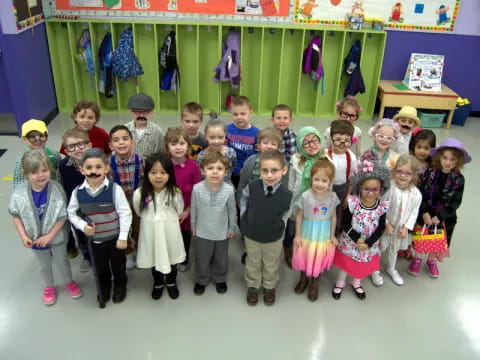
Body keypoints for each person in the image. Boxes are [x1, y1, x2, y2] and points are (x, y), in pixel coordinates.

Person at [9, 150, 82, 306]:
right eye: (34, 172)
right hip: (34, 238)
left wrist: (49, 236)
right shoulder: (19, 194)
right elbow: (16, 215)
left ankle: (69, 282)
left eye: (44, 170)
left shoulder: (56, 189)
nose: (41, 175)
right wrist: (23, 236)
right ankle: (49, 286)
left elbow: (62, 216)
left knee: (62, 261)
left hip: (57, 236)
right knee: (44, 265)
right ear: (26, 173)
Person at [67, 148, 132, 305]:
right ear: (82, 170)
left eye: (98, 167)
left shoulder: (114, 190)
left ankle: (120, 284)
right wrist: (83, 226)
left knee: (118, 265)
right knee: (100, 267)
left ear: (106, 168)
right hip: (95, 241)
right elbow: (71, 213)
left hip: (115, 239)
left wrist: (123, 237)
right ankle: (104, 287)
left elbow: (125, 213)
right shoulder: (78, 192)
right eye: (89, 168)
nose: (94, 171)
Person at [408, 138, 470, 278]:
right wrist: (424, 212)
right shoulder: (429, 172)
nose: (448, 162)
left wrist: (440, 216)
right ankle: (417, 258)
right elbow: (421, 193)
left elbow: (456, 201)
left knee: (437, 239)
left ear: (458, 161)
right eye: (445, 158)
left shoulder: (459, 179)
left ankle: (431, 260)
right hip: (425, 213)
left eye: (452, 160)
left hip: (444, 217)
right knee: (420, 236)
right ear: (439, 157)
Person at [332, 160, 390, 300]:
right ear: (359, 187)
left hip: (368, 245)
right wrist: (358, 239)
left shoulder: (381, 206)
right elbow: (345, 223)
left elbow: (381, 227)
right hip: (351, 242)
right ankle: (340, 282)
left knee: (361, 265)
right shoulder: (352, 203)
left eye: (375, 189)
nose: (370, 193)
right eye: (366, 189)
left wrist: (368, 243)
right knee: (346, 264)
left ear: (381, 189)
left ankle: (357, 282)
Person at [240, 150, 292, 306]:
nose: (269, 175)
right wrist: (244, 216)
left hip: (273, 237)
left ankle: (269, 286)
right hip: (252, 234)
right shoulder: (252, 186)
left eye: (274, 170)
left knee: (271, 262)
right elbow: (244, 200)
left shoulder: (287, 194)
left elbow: (286, 214)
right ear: (260, 170)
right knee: (253, 261)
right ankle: (253, 285)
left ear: (284, 170)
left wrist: (280, 229)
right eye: (265, 170)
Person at [133, 153, 185, 300]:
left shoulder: (175, 192)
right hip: (151, 233)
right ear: (146, 173)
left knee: (172, 257)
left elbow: (179, 209)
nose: (158, 176)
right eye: (153, 172)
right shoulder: (139, 194)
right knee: (154, 258)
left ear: (170, 174)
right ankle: (157, 283)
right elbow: (138, 211)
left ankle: (171, 282)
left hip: (170, 232)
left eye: (163, 172)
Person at [292, 158, 339, 301]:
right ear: (311, 178)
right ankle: (303, 279)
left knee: (317, 257)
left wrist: (332, 235)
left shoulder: (332, 197)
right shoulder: (305, 196)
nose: (320, 184)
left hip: (322, 235)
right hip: (307, 232)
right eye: (316, 179)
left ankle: (314, 283)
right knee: (305, 256)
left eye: (324, 181)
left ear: (330, 182)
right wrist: (298, 235)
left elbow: (333, 217)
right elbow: (299, 217)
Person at [191, 150, 236, 295]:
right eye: (210, 168)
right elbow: (194, 209)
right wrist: (193, 226)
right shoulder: (197, 189)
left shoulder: (229, 190)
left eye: (219, 169)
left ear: (225, 172)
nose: (215, 172)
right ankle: (201, 279)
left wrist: (231, 227)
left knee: (221, 258)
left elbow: (231, 211)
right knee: (202, 258)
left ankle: (220, 278)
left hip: (222, 232)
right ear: (203, 171)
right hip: (203, 231)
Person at [379, 155, 422, 286]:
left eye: (408, 173)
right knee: (379, 247)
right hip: (386, 226)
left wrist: (406, 228)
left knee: (394, 248)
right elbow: (380, 205)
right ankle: (374, 269)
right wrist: (385, 223)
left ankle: (391, 268)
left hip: (400, 228)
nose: (403, 176)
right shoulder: (388, 188)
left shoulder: (416, 194)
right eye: (399, 171)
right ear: (394, 171)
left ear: (414, 175)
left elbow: (414, 212)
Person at [164, 127, 201, 272]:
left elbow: (197, 192)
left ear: (188, 146)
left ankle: (184, 258)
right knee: (170, 234)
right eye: (173, 144)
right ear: (167, 146)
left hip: (187, 208)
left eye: (181, 143)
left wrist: (187, 211)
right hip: (168, 209)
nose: (178, 147)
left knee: (185, 235)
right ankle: (170, 257)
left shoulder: (193, 167)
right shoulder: (164, 165)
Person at [286, 126, 324, 268]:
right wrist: (290, 199)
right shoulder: (295, 159)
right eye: (306, 142)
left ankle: (304, 253)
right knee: (291, 230)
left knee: (308, 230)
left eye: (314, 140)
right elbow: (291, 182)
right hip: (297, 201)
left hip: (316, 203)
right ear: (300, 145)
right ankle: (288, 251)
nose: (311, 145)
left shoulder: (325, 159)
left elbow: (329, 183)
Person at [108, 125, 144, 270]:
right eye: (116, 140)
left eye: (125, 139)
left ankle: (141, 250)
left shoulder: (140, 160)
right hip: (119, 203)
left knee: (139, 227)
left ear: (132, 142)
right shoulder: (108, 163)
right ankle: (128, 252)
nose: (121, 143)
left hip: (137, 201)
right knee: (123, 228)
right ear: (111, 145)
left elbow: (145, 181)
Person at [58, 128, 92, 270]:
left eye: (81, 144)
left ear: (89, 145)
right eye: (71, 146)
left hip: (95, 206)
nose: (77, 149)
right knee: (80, 233)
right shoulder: (63, 166)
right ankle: (86, 256)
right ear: (66, 150)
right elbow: (61, 185)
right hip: (76, 208)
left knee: (97, 232)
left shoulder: (97, 161)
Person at [325, 120, 357, 235]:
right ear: (331, 138)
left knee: (338, 214)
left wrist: (348, 195)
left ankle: (334, 234)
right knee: (324, 212)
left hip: (342, 189)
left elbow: (351, 178)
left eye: (346, 141)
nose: (342, 144)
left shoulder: (351, 157)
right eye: (338, 139)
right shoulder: (325, 155)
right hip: (326, 189)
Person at [14, 119, 62, 190]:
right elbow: (18, 185)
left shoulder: (54, 155)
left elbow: (60, 178)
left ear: (46, 137)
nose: (37, 139)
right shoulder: (21, 161)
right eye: (32, 137)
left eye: (41, 136)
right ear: (24, 139)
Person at [226, 95, 260, 188]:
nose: (239, 117)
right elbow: (224, 151)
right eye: (235, 114)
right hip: (230, 170)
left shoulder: (257, 133)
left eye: (243, 114)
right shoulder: (226, 129)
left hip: (248, 172)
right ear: (231, 113)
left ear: (250, 112)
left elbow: (257, 155)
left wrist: (246, 170)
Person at [197, 118, 237, 184]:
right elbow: (201, 174)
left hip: (226, 188)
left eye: (220, 137)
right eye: (212, 137)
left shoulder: (231, 153)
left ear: (225, 136)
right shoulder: (202, 155)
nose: (216, 141)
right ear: (206, 136)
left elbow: (232, 168)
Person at [125, 93, 163, 158]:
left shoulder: (157, 131)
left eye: (145, 112)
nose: (141, 115)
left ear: (151, 112)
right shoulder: (125, 129)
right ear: (131, 112)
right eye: (137, 112)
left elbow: (159, 153)